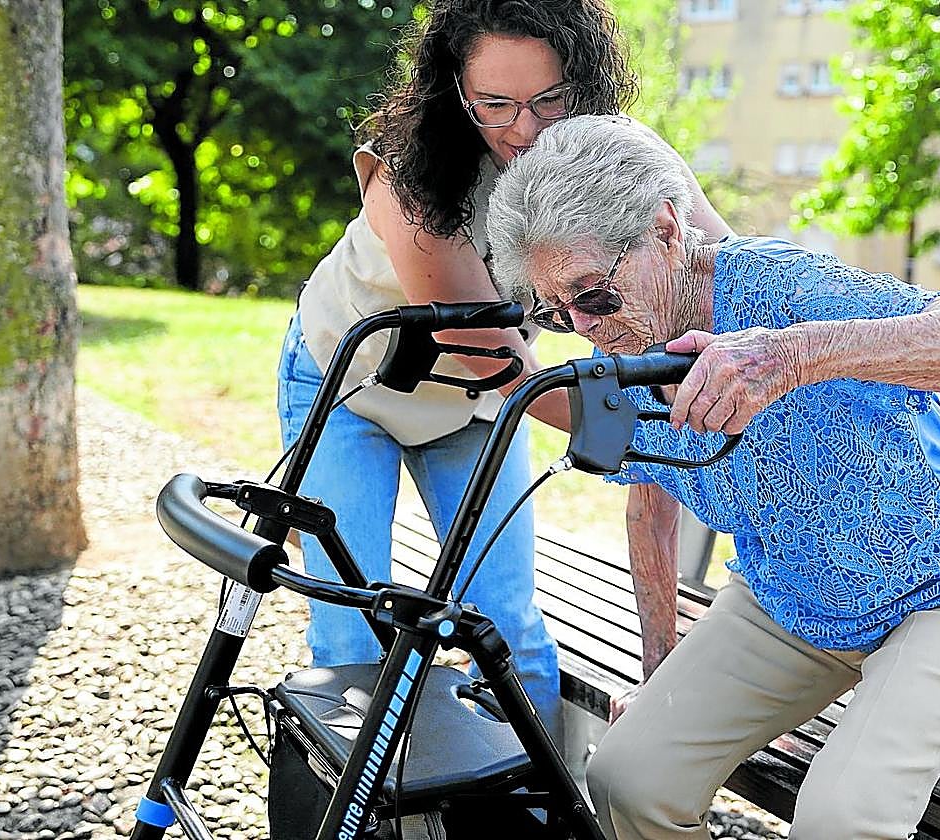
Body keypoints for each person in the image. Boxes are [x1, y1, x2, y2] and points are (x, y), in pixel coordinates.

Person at [486, 114, 940, 840]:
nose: (588, 326)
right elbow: (651, 503)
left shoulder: (782, 289)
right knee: (628, 777)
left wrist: (795, 356)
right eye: (557, 312)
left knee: (842, 819)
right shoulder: (624, 357)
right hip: (793, 590)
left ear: (666, 229)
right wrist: (659, 667)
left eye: (595, 295)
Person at [276, 0, 736, 740]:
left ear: (583, 85)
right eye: (495, 104)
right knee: (354, 637)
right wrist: (663, 429)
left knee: (508, 634)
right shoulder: (412, 183)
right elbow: (509, 370)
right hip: (352, 386)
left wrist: (872, 358)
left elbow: (732, 266)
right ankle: (375, 814)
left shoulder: (619, 158)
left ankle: (529, 811)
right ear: (455, 92)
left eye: (549, 100)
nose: (524, 129)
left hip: (468, 406)